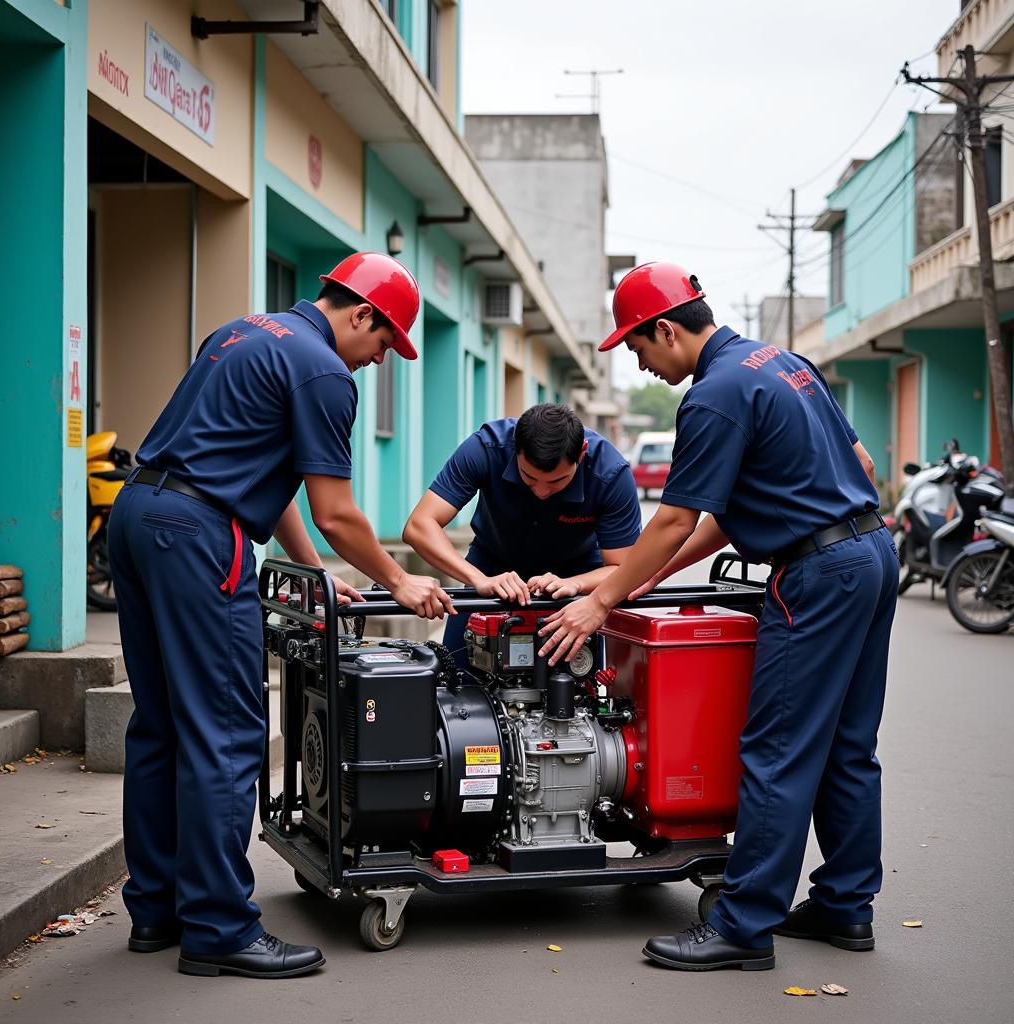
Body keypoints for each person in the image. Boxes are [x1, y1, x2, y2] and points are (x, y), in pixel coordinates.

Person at [538, 262, 898, 972]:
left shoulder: (714, 395)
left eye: (638, 347)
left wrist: (600, 599)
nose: (640, 360)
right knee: (847, 747)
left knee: (776, 750)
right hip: (872, 551)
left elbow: (673, 519)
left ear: (667, 328)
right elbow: (840, 469)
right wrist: (639, 578)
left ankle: (743, 926)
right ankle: (845, 905)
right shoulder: (784, 364)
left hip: (817, 573)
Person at [108, 252, 454, 979]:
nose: (380, 359)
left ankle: (158, 909)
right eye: (386, 342)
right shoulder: (323, 370)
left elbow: (277, 477)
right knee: (228, 733)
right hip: (201, 533)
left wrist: (312, 575)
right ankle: (219, 928)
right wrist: (400, 579)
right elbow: (336, 510)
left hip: (140, 513)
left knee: (162, 724)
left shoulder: (243, 332)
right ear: (361, 314)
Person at [403, 403, 641, 667]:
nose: (541, 491)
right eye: (529, 477)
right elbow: (419, 526)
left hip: (577, 573)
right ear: (515, 447)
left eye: (556, 481)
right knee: (454, 676)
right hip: (491, 565)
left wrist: (576, 584)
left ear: (582, 454)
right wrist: (479, 579)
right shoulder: (486, 447)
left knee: (583, 681)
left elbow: (624, 567)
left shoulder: (611, 473)